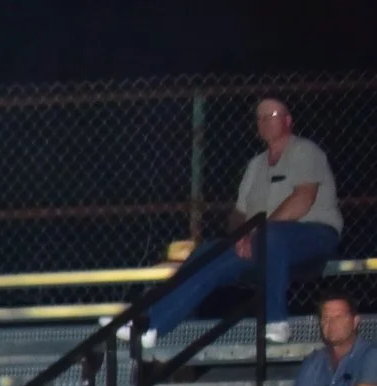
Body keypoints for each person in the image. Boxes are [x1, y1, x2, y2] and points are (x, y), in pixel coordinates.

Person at [140, 98, 343, 348]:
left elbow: (303, 198)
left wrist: (257, 232)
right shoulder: (255, 165)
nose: (264, 122)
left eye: (272, 115)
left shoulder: (305, 151)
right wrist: (240, 237)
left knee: (273, 236)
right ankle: (152, 324)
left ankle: (276, 320)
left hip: (313, 233)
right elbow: (239, 214)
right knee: (208, 254)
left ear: (288, 120)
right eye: (259, 117)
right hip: (260, 240)